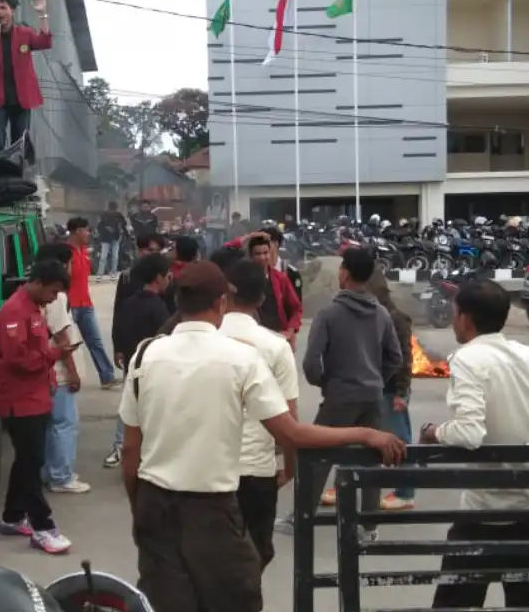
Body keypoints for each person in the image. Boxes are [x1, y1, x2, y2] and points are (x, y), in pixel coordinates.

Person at [119, 261, 405, 612]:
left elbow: (131, 448)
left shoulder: (146, 353)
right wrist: (364, 433)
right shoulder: (242, 358)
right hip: (211, 506)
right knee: (239, 597)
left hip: (155, 499)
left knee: (167, 601)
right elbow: (291, 432)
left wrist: (140, 507)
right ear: (222, 302)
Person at [418, 279, 529, 609]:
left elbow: (469, 433)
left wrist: (434, 432)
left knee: (455, 599)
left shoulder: (467, 359)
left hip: (485, 510)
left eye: (454, 313)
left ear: (465, 318)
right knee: (525, 598)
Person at [281, 248, 402, 541]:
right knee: (370, 457)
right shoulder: (381, 314)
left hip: (340, 395)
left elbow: (312, 361)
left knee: (316, 454)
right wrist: (376, 381)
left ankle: (301, 518)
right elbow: (394, 357)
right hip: (372, 396)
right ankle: (368, 526)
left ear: (344, 273)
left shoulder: (330, 313)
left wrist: (325, 383)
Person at [0, 260, 78, 555]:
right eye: (53, 291)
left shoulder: (33, 309)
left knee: (28, 460)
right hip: (20, 400)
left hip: (36, 395)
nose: (55, 298)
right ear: (38, 282)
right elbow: (20, 361)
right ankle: (43, 527)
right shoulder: (14, 312)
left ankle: (13, 517)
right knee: (32, 463)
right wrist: (56, 354)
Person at [220, 259, 299, 571]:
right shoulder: (275, 347)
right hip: (256, 470)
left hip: (206, 470)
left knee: (209, 557)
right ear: (263, 300)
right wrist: (289, 468)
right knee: (255, 554)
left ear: (224, 293)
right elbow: (290, 418)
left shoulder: (198, 341)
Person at [104, 253, 172, 469]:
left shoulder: (128, 303)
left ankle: (122, 448)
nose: (169, 281)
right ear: (157, 278)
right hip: (155, 370)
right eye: (167, 277)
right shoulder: (159, 308)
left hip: (132, 368)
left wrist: (120, 352)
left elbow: (121, 332)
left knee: (130, 411)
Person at [34, 243, 89, 494]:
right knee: (64, 422)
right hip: (59, 371)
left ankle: (50, 469)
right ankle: (61, 476)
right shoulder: (57, 297)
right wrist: (73, 372)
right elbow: (61, 337)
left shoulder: (38, 293)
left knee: (51, 424)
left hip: (46, 369)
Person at [366, 264, 416, 510]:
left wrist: (400, 392)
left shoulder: (395, 318)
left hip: (391, 388)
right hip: (375, 386)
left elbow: (405, 359)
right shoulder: (374, 313)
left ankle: (406, 493)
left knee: (399, 440)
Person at [0, 0, 52, 149]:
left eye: (3, 8)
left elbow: (44, 43)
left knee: (20, 141)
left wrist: (42, 14)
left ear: (12, 11)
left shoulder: (25, 33)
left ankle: (19, 170)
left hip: (22, 96)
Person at [65, 218, 118, 389]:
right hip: (70, 304)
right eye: (86, 230)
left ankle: (107, 377)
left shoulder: (83, 252)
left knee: (95, 341)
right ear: (77, 232)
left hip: (85, 303)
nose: (89, 234)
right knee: (68, 344)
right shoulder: (66, 252)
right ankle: (67, 378)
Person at [243, 233, 302, 346]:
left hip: (279, 339)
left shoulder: (281, 279)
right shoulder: (244, 281)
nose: (262, 257)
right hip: (254, 341)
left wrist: (291, 330)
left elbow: (296, 308)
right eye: (258, 254)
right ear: (251, 256)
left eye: (265, 253)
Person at [111, 233, 165, 336]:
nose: (156, 255)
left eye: (159, 251)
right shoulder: (127, 277)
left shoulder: (166, 277)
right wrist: (119, 348)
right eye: (151, 250)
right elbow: (118, 315)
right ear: (140, 251)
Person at [162, 235, 200, 313]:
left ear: (176, 252)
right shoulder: (200, 273)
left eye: (173, 248)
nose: (169, 250)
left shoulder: (166, 271)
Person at [96, 201, 127, 278]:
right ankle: (108, 273)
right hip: (109, 238)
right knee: (110, 256)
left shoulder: (109, 215)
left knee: (107, 256)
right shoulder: (111, 215)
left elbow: (99, 226)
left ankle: (103, 273)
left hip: (111, 238)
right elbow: (124, 225)